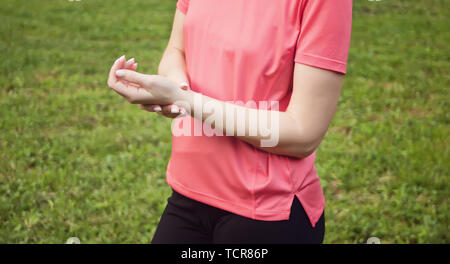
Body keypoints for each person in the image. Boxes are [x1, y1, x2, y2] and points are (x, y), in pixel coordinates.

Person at [107, 0, 353, 244]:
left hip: (267, 209)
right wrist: (177, 91)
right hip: (189, 192)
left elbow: (303, 133)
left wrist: (185, 99)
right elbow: (176, 50)